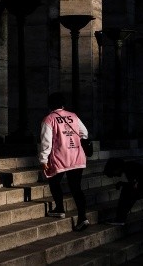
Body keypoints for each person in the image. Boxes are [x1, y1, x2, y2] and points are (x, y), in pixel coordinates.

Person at [38, 92, 90, 231]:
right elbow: (84, 133)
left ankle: (60, 208)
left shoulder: (49, 119)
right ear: (63, 104)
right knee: (76, 188)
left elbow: (46, 142)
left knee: (54, 181)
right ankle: (82, 217)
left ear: (50, 105)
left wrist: (43, 159)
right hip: (77, 156)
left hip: (61, 157)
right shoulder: (73, 116)